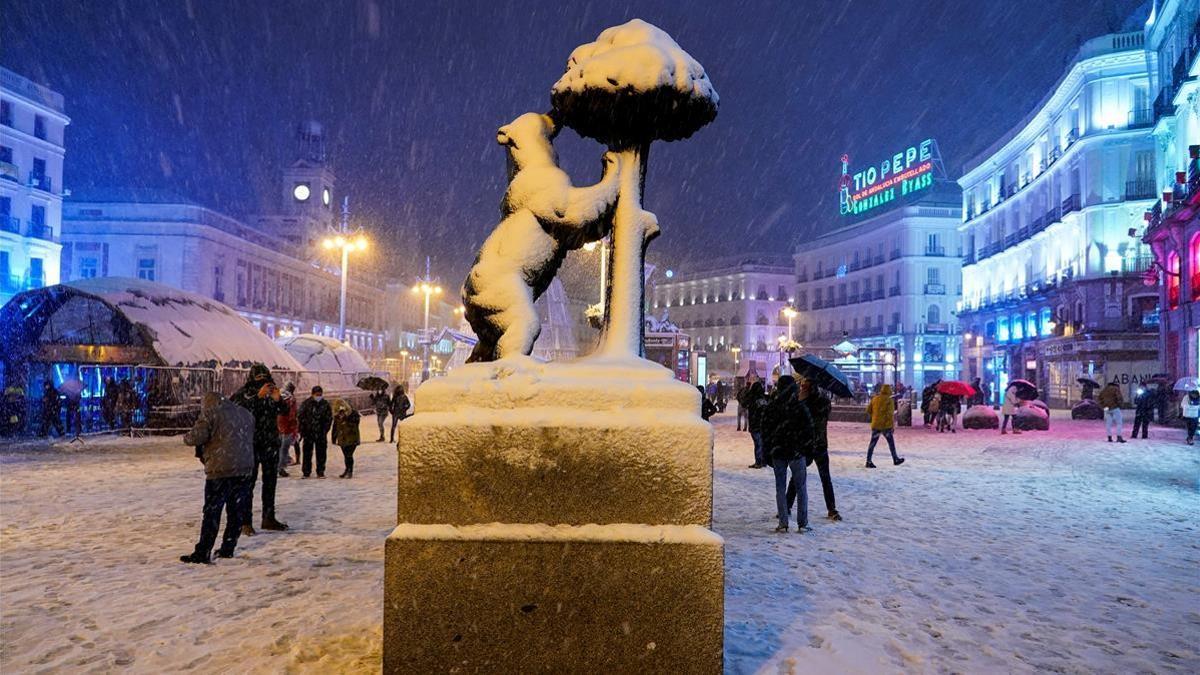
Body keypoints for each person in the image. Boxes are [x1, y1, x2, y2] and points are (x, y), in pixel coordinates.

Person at [180, 392, 255, 564]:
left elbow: (196, 437)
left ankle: (203, 551)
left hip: (220, 469)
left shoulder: (210, 413)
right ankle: (228, 548)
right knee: (235, 512)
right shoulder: (245, 413)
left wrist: (187, 438)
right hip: (244, 468)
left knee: (212, 512)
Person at [230, 364, 290, 534]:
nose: (263, 383)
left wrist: (278, 399)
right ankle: (245, 522)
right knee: (247, 484)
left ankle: (268, 517)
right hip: (251, 443)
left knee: (270, 482)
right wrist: (257, 397)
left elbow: (284, 412)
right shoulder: (245, 393)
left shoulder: (272, 393)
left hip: (270, 443)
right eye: (259, 379)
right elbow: (237, 410)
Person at [762, 375, 814, 532]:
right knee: (801, 488)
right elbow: (809, 430)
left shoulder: (772, 407)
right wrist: (806, 449)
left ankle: (783, 522)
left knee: (780, 487)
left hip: (778, 452)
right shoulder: (799, 407)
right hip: (796, 452)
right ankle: (802, 522)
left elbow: (765, 430)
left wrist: (768, 450)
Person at [790, 379, 839, 521]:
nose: (802, 386)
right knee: (825, 478)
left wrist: (801, 400)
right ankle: (832, 508)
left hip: (807, 444)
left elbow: (798, 418)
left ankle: (787, 504)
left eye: (804, 384)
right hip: (820, 443)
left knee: (797, 477)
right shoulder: (823, 401)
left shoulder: (805, 402)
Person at [865, 383, 904, 468]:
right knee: (891, 443)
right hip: (886, 426)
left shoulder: (875, 399)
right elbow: (890, 414)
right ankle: (895, 459)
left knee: (872, 443)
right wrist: (892, 426)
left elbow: (868, 410)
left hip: (876, 425)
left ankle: (868, 461)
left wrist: (875, 415)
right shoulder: (889, 400)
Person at [298, 386, 333, 478]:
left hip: (321, 433)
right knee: (307, 453)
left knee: (321, 453)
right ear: (312, 394)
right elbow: (301, 417)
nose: (319, 396)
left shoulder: (325, 404)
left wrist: (325, 429)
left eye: (320, 395)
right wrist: (303, 430)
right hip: (308, 433)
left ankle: (320, 471)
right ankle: (306, 472)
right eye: (317, 395)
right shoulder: (306, 404)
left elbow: (329, 418)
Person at [332, 399, 361, 478]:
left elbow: (356, 423)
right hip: (342, 438)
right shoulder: (337, 416)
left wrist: (346, 419)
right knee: (346, 455)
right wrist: (334, 438)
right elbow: (335, 427)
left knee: (349, 455)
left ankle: (349, 471)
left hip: (352, 437)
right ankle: (347, 469)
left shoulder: (353, 413)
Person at [276, 382, 300, 475]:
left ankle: (277, 466)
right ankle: (280, 468)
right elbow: (292, 414)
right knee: (284, 449)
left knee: (278, 448)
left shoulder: (278, 395)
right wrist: (294, 425)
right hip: (288, 426)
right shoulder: (291, 399)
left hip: (278, 424)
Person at [744, 380, 768, 468]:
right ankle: (763, 460)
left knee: (758, 444)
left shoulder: (751, 398)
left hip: (755, 424)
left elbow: (744, 402)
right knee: (762, 443)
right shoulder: (764, 398)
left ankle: (759, 461)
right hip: (764, 424)